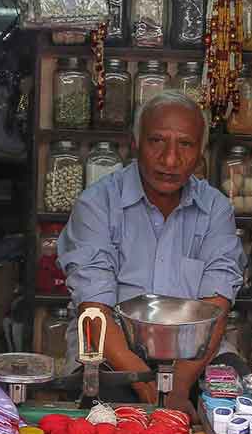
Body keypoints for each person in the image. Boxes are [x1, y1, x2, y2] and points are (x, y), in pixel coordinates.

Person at [57, 90, 242, 411]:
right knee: (106, 416)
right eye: (157, 141)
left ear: (201, 152)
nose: (170, 160)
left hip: (193, 354)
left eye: (185, 144)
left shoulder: (215, 209)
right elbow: (94, 309)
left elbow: (216, 308)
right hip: (112, 348)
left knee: (234, 405)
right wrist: (146, 385)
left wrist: (180, 385)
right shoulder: (98, 204)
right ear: (135, 143)